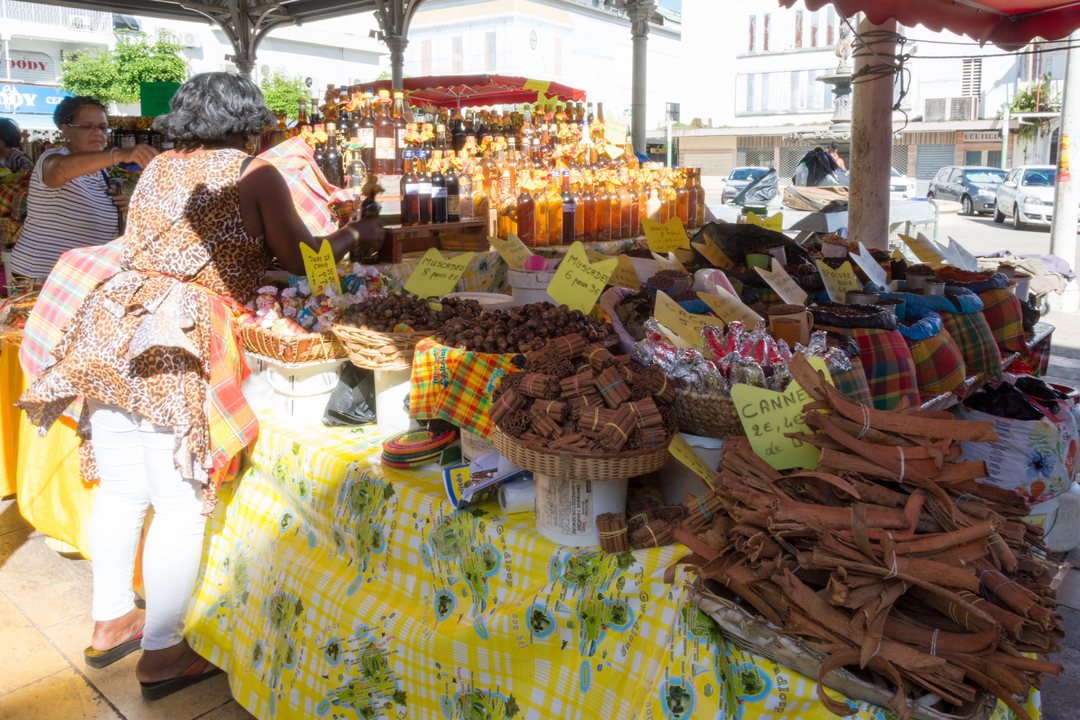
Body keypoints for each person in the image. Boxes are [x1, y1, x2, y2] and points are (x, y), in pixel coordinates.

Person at [17, 73, 384, 701]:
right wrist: (357, 236)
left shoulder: (158, 168)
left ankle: (111, 619)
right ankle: (162, 654)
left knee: (124, 489)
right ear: (248, 122)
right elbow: (304, 259)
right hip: (178, 332)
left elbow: (197, 248)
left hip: (115, 320)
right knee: (179, 503)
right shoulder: (253, 173)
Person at [6, 97, 157, 282]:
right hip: (42, 275)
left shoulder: (102, 173)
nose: (97, 133)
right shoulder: (52, 158)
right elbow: (60, 170)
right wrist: (120, 154)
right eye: (87, 127)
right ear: (66, 130)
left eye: (102, 127)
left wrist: (121, 206)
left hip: (81, 276)